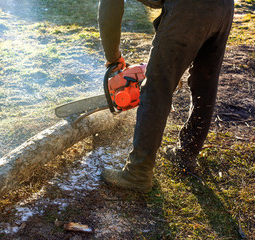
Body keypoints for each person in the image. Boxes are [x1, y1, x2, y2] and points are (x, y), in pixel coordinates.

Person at [98, 0, 234, 193]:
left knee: (156, 87)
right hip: (224, 7)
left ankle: (138, 173)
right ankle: (186, 154)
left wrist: (113, 59)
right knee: (205, 84)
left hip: (188, 8)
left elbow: (110, 5)